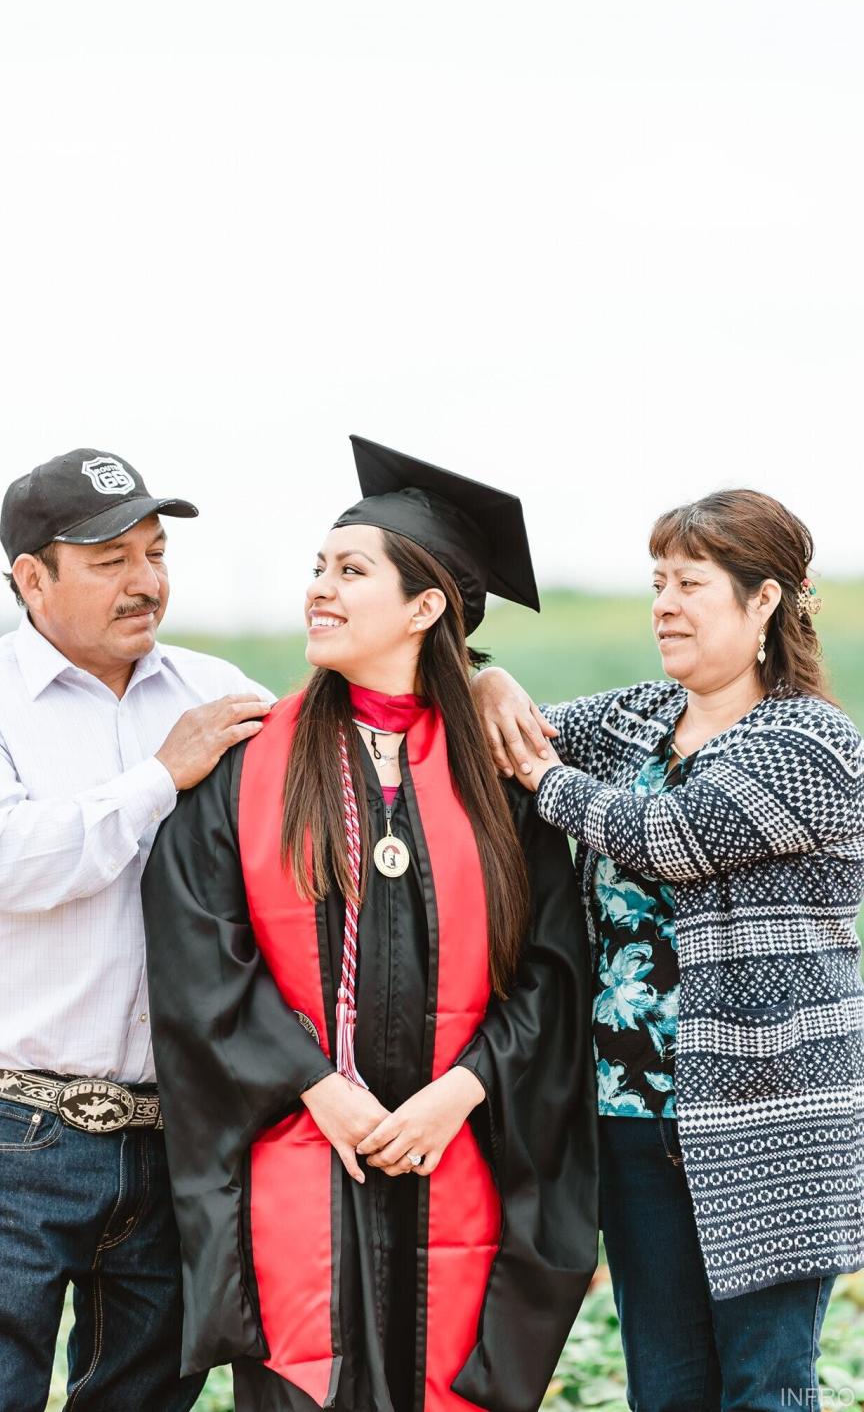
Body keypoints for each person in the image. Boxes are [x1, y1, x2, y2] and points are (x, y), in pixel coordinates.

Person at [141, 436, 598, 1412]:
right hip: (303, 1153)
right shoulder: (249, 765)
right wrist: (316, 1084)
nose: (320, 588)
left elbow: (554, 970)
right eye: (317, 568)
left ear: (426, 606)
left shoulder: (498, 777)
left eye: (351, 570)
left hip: (459, 1151)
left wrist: (464, 1088)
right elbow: (195, 953)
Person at [471, 489, 864, 1412]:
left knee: (765, 1385)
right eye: (657, 584)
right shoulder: (643, 717)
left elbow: (666, 835)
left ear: (764, 600)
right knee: (667, 1388)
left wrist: (543, 775)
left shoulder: (811, 743)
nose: (664, 605)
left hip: (772, 1115)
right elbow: (511, 725)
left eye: (691, 583)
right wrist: (488, 677)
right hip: (632, 1112)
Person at [0, 448, 274, 1412]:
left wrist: (477, 680)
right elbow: (2, 860)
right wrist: (162, 777)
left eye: (155, 553)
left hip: (175, 1132)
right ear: (33, 578)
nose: (146, 582)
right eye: (111, 560)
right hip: (9, 1134)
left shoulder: (215, 688)